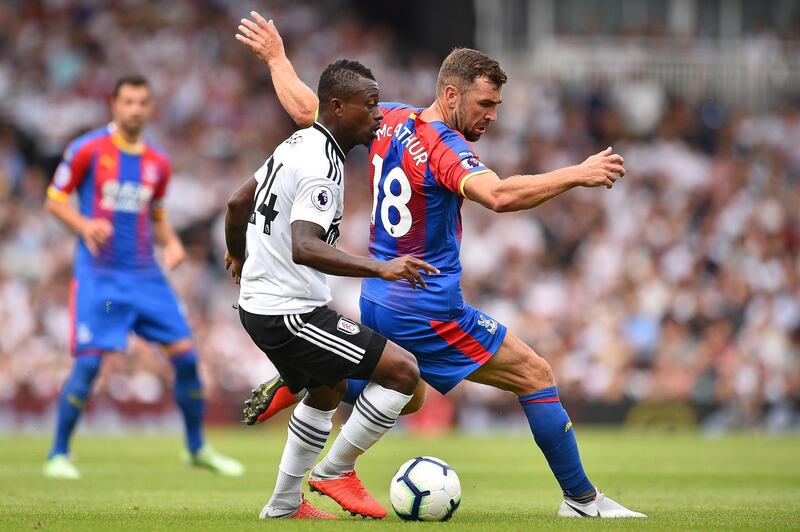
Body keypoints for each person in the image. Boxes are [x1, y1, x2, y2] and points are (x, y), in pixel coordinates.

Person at [236, 12, 645, 519]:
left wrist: (277, 58)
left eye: (497, 105)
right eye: (485, 103)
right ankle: (582, 501)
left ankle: (308, 377)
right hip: (427, 305)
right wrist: (577, 173)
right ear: (451, 95)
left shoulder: (388, 119)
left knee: (405, 396)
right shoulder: (443, 147)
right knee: (535, 376)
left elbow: (310, 111)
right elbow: (497, 195)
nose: (492, 115)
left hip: (380, 298)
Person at [224, 48, 438, 518]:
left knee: (329, 388)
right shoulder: (323, 163)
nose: (379, 115)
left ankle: (283, 504)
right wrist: (381, 267)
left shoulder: (296, 144)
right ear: (338, 107)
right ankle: (334, 470)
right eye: (370, 104)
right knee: (403, 373)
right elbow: (306, 246)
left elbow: (238, 203)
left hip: (267, 304)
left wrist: (238, 253)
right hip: (288, 311)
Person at [42, 75, 244, 479]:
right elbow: (55, 199)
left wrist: (169, 243)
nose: (135, 109)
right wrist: (84, 225)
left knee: (187, 357)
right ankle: (58, 454)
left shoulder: (158, 162)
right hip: (102, 278)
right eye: (128, 101)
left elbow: (157, 215)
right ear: (114, 105)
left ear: (150, 108)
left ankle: (196, 447)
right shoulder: (88, 150)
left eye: (142, 102)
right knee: (89, 365)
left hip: (147, 278)